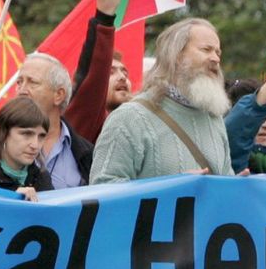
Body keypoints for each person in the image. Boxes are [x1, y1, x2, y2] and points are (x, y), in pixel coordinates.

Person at [90, 18, 234, 183]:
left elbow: (224, 183)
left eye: (218, 52)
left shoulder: (214, 119)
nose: (216, 59)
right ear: (177, 55)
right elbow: (103, 186)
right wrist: (171, 188)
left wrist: (235, 186)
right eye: (206, 49)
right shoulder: (130, 117)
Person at [60, 0, 124, 144]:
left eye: (124, 71)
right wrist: (104, 16)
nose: (122, 77)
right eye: (110, 72)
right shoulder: (83, 125)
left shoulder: (141, 126)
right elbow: (94, 78)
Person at [12, 52, 93, 188]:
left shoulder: (87, 154)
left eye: (32, 82)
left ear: (58, 95)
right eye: (19, 82)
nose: (22, 90)